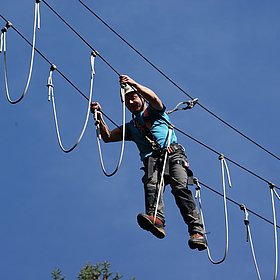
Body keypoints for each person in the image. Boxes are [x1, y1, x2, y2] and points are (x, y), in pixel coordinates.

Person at [91, 75, 207, 251]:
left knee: (180, 188)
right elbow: (107, 137)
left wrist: (134, 84)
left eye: (134, 97)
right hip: (152, 161)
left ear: (140, 97)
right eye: (127, 100)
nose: (131, 101)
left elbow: (154, 98)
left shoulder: (155, 111)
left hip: (173, 155)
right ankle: (156, 219)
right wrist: (98, 116)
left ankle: (197, 232)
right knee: (151, 185)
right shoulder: (131, 127)